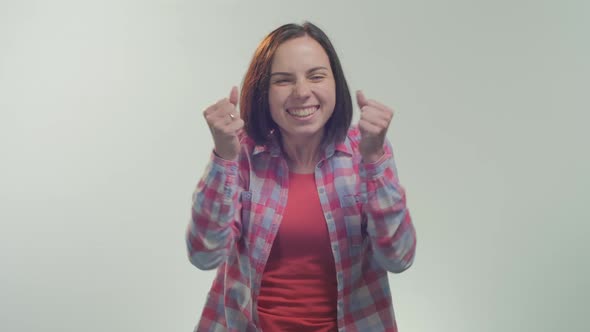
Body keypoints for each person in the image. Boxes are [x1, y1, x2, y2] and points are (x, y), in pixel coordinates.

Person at [186, 21, 416, 332]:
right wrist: (224, 157)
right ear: (262, 92)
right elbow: (204, 255)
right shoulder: (241, 156)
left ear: (335, 83)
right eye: (283, 80)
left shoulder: (366, 151)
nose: (302, 92)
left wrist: (375, 160)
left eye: (316, 76)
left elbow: (399, 258)